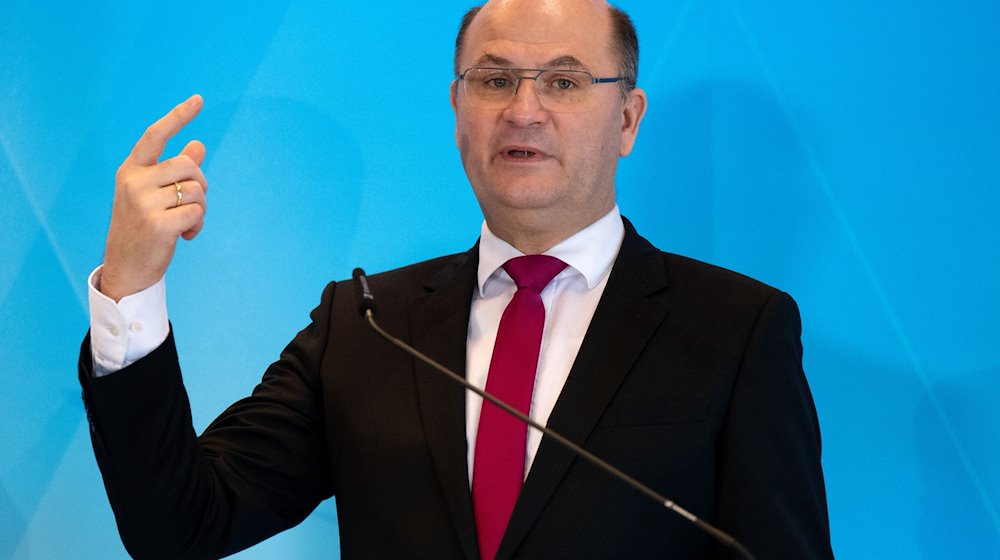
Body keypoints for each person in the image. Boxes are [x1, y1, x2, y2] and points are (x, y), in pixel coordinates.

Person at [79, 0, 834, 558]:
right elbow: (180, 527)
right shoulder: (368, 323)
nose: (524, 111)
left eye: (564, 83)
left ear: (629, 120)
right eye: (495, 80)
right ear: (457, 109)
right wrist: (131, 289)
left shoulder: (736, 330)